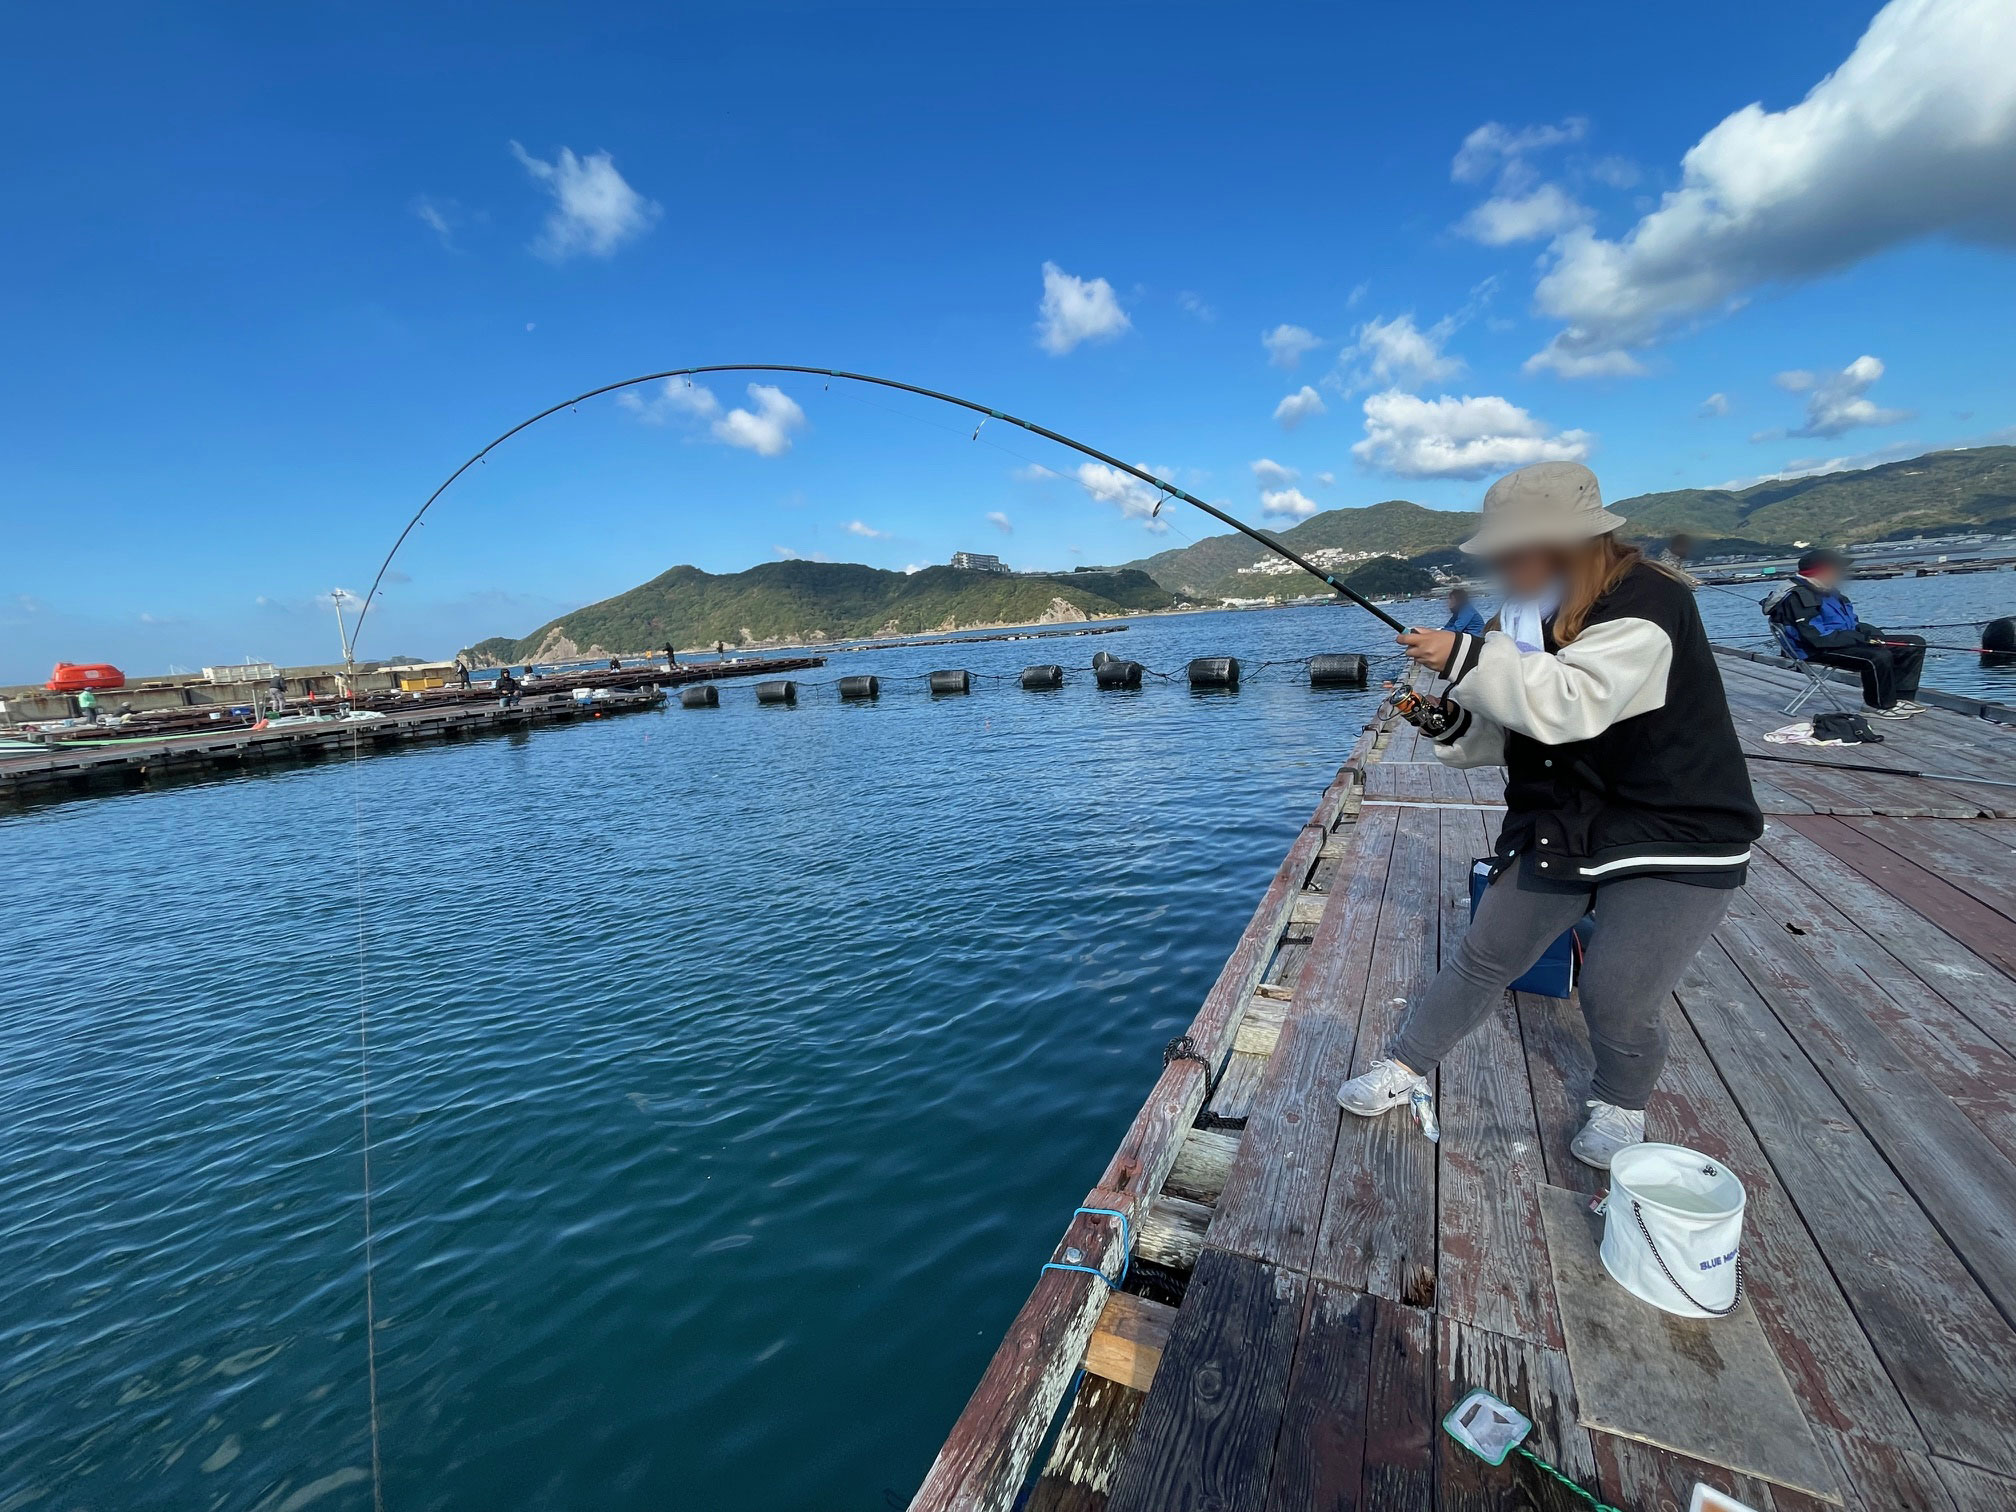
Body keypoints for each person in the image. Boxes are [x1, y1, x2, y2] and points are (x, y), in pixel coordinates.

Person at [1336, 460, 1762, 1169]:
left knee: (1615, 993)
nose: (1502, 562)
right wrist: (1447, 720)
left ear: (1570, 542)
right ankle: (1406, 1067)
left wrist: (1466, 655)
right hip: (1562, 824)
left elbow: (1571, 702)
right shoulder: (1519, 618)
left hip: (1676, 831)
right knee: (1483, 953)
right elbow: (1513, 724)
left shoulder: (1651, 603)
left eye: (1515, 548)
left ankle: (1621, 1105)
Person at [1768, 548, 1925, 718]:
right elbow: (1815, 637)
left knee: (1913, 643)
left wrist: (1873, 634)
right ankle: (1877, 705)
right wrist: (1862, 639)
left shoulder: (1829, 591)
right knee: (1878, 656)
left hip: (1841, 641)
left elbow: (1851, 623)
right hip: (1816, 649)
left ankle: (1901, 698)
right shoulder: (1798, 597)